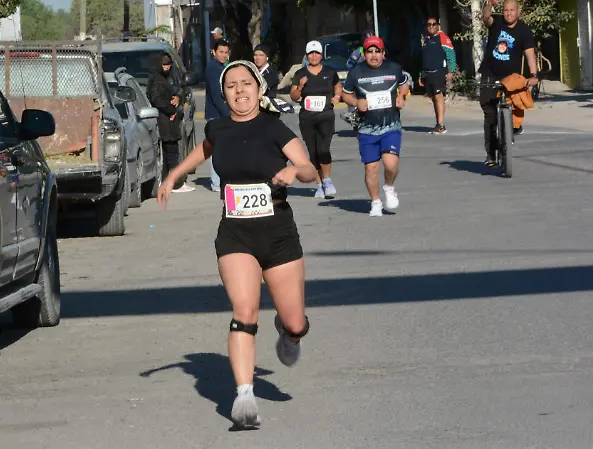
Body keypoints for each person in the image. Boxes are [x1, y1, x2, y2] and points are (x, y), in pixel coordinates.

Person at [157, 60, 318, 429]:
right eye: (231, 86)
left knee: (295, 321)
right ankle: (244, 396)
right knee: (244, 311)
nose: (240, 90)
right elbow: (205, 149)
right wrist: (175, 173)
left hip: (278, 233)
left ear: (259, 90)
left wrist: (295, 170)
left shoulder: (274, 127)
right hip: (236, 234)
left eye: (246, 83)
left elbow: (309, 169)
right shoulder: (218, 127)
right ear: (223, 93)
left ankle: (290, 333)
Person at [341, 36, 410, 217]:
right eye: (369, 52)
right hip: (366, 128)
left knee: (391, 163)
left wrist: (402, 96)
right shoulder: (356, 72)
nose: (373, 55)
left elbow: (404, 84)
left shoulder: (394, 68)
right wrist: (356, 102)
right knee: (371, 168)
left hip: (391, 125)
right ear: (364, 54)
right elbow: (345, 94)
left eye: (377, 51)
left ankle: (389, 187)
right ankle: (375, 202)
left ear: (383, 53)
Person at [480, 0, 538, 166]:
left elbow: (529, 54)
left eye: (512, 10)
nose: (509, 13)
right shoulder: (496, 22)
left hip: (511, 77)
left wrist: (534, 75)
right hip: (490, 74)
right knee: (490, 115)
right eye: (506, 10)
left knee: (517, 105)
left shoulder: (524, 30)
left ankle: (512, 128)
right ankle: (491, 154)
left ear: (518, 12)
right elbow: (485, 18)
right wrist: (489, 4)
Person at [290, 41, 342, 199]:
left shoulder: (330, 72)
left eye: (317, 53)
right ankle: (319, 184)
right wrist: (300, 87)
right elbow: (294, 96)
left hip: (326, 116)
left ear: (321, 55)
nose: (314, 56)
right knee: (313, 152)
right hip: (307, 117)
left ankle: (327, 180)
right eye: (311, 53)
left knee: (323, 149)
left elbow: (337, 85)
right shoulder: (300, 73)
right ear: (307, 55)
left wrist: (337, 96)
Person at [147, 53, 195, 193]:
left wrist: (178, 98)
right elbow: (157, 99)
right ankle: (176, 184)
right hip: (165, 122)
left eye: (169, 64)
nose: (167, 67)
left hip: (170, 121)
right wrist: (171, 110)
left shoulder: (166, 77)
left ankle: (172, 182)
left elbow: (178, 90)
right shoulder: (156, 80)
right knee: (171, 154)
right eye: (164, 64)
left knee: (171, 153)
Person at [419, 17, 457, 134]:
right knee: (433, 98)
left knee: (438, 97)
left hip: (439, 72)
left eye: (433, 24)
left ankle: (441, 125)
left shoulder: (443, 38)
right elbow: (424, 58)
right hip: (428, 74)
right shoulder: (426, 39)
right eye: (429, 24)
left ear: (438, 26)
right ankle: (438, 123)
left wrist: (451, 71)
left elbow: (451, 55)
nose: (431, 26)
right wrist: (421, 74)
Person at [204, 39, 231, 193]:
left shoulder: (221, 67)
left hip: (220, 113)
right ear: (213, 52)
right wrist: (228, 115)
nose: (224, 55)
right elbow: (216, 96)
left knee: (224, 149)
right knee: (218, 149)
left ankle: (221, 180)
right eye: (221, 52)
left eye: (226, 52)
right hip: (216, 115)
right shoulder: (213, 68)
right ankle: (216, 182)